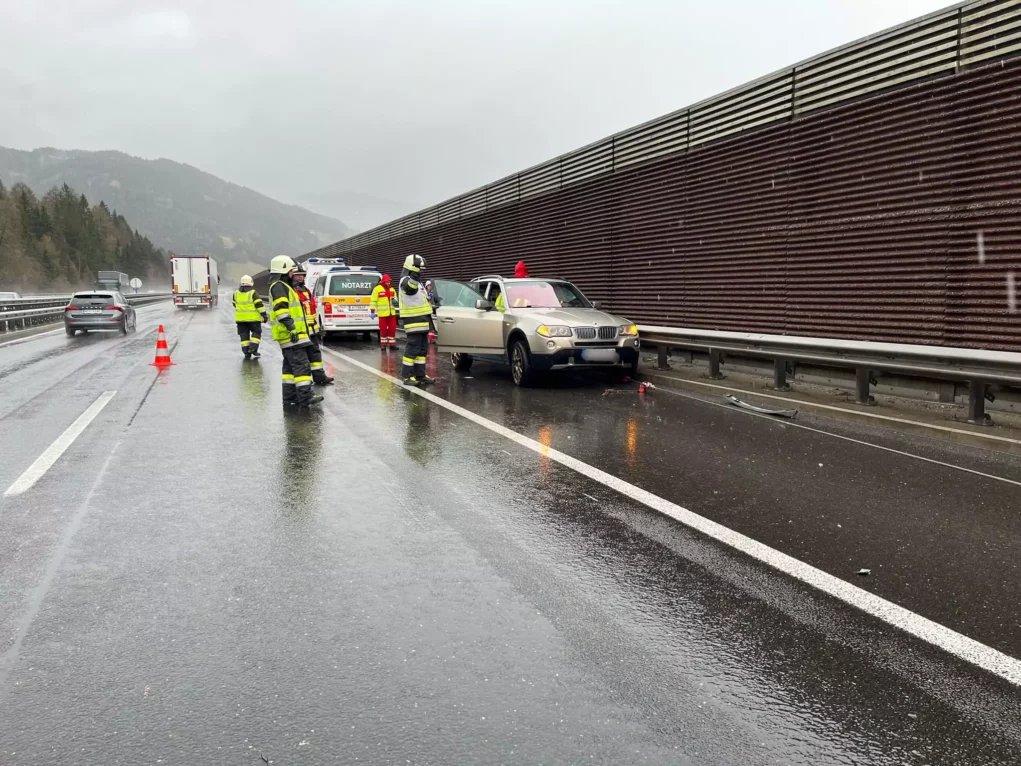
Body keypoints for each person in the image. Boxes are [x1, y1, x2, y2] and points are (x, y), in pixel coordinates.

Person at [268, 255, 323, 408]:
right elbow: (282, 311)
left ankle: (290, 397)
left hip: (290, 335)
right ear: (285, 270)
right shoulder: (280, 286)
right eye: (292, 271)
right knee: (301, 365)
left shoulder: (282, 286)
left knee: (289, 368)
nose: (293, 274)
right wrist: (291, 328)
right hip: (292, 335)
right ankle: (306, 397)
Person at [292, 265, 334, 385]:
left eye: (302, 275)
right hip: (301, 330)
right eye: (298, 275)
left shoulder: (306, 290)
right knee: (302, 358)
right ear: (292, 276)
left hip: (312, 329)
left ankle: (319, 377)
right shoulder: (292, 292)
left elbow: (312, 310)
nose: (301, 277)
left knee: (315, 354)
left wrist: (317, 327)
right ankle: (304, 381)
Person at [398, 253, 435, 386]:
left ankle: (420, 375)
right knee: (412, 348)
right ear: (412, 267)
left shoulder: (417, 282)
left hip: (422, 320)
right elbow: (410, 289)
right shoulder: (405, 280)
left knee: (422, 350)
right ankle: (407, 376)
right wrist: (415, 272)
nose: (421, 272)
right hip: (413, 320)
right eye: (419, 268)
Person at [232, 275, 267, 358]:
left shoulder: (236, 293)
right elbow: (259, 305)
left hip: (240, 319)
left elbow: (234, 304)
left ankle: (246, 352)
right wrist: (264, 315)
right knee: (256, 333)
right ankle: (253, 349)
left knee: (244, 336)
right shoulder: (253, 293)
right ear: (251, 283)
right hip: (253, 319)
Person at [370, 274, 398, 348]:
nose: (388, 283)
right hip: (382, 314)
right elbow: (373, 301)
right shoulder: (377, 289)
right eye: (387, 282)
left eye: (389, 282)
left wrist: (395, 300)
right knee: (383, 330)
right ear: (383, 281)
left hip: (391, 314)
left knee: (392, 329)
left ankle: (392, 344)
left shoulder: (392, 289)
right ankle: (383, 345)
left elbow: (395, 297)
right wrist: (372, 312)